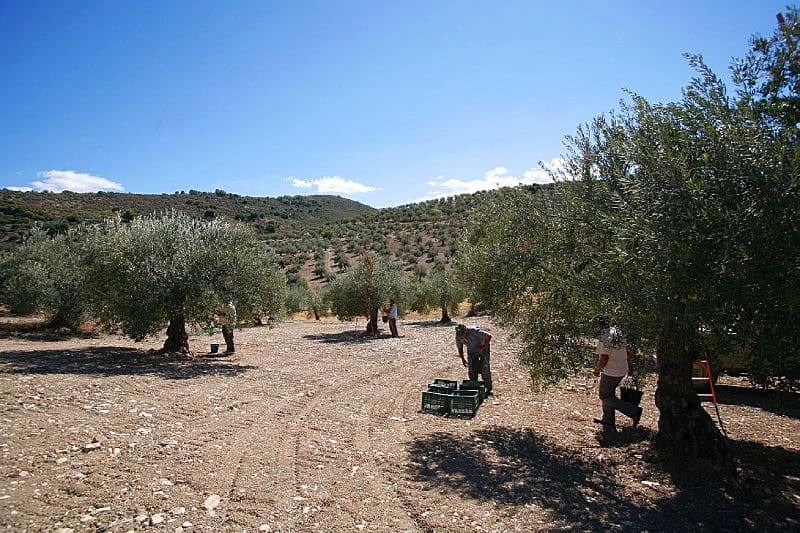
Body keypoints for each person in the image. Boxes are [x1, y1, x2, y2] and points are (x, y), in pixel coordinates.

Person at [591, 314, 641, 430]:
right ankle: (608, 420)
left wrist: (597, 370)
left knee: (604, 396)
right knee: (609, 394)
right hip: (621, 368)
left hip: (612, 371)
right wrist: (630, 368)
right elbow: (628, 351)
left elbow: (604, 358)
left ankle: (634, 411)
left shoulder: (605, 337)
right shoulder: (617, 332)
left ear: (599, 325)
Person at [455, 323, 493, 395]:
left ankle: (489, 388)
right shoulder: (458, 335)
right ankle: (474, 387)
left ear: (466, 330)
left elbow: (489, 336)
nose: (463, 337)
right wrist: (463, 359)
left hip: (483, 348)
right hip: (471, 350)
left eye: (464, 334)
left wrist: (482, 348)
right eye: (461, 336)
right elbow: (460, 348)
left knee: (485, 367)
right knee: (471, 368)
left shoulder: (474, 331)